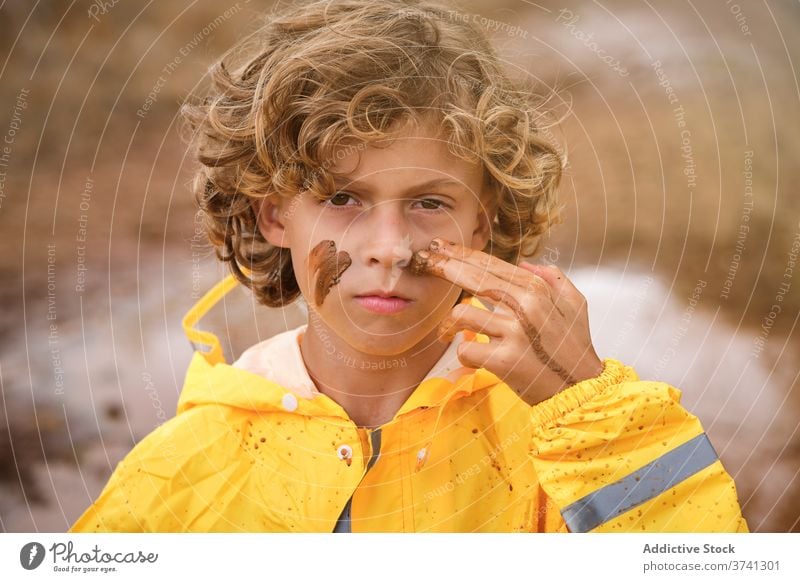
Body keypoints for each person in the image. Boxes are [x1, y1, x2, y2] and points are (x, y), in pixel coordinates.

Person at [70, 0, 748, 533]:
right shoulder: (182, 469)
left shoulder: (564, 444)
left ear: (481, 224)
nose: (390, 247)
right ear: (273, 215)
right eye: (342, 198)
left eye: (429, 202)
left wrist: (598, 421)